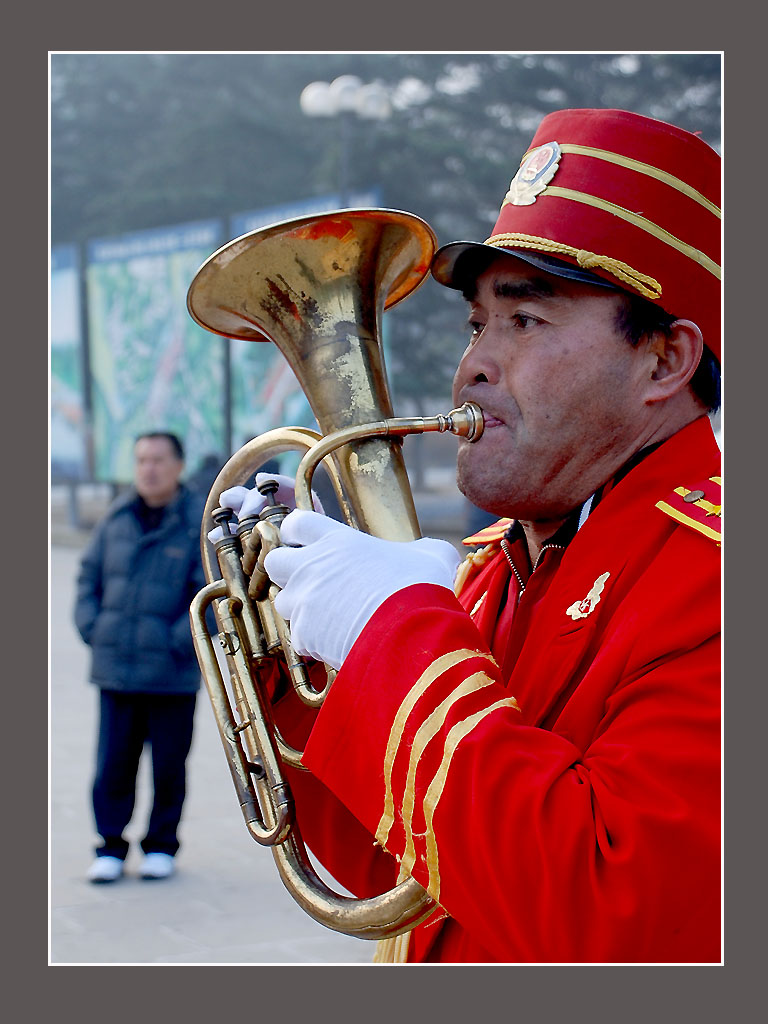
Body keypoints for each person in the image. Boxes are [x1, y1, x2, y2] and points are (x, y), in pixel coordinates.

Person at [218, 108, 721, 962]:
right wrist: (284, 644)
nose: (473, 367)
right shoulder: (490, 571)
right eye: (476, 325)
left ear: (665, 362)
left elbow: (612, 911)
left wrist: (391, 631)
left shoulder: (718, 578)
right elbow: (383, 868)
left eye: (525, 321)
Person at [75, 431, 206, 883]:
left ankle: (161, 846)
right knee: (112, 765)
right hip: (116, 669)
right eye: (141, 460)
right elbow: (87, 577)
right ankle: (110, 846)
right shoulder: (116, 518)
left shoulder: (197, 522)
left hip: (171, 673)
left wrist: (176, 642)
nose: (148, 468)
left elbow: (206, 595)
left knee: (169, 766)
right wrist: (93, 626)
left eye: (157, 459)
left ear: (177, 465)